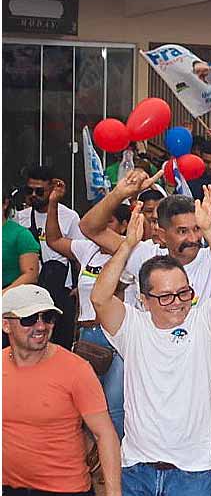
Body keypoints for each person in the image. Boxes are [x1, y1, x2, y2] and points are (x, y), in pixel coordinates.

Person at [92, 190, 211, 496]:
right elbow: (100, 298)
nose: (177, 302)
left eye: (183, 293)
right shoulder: (132, 328)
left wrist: (210, 231)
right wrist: (127, 245)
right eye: (165, 296)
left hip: (191, 475)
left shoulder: (205, 325)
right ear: (144, 300)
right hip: (137, 473)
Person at [3, 284, 124, 496]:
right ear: (6, 324)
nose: (41, 326)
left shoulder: (76, 370)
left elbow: (105, 435)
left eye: (48, 317)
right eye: (29, 319)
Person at [44, 178, 132, 438]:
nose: (100, 228)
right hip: (87, 337)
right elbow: (53, 240)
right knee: (86, 407)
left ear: (124, 226)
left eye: (109, 222)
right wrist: (53, 203)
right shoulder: (88, 250)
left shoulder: (133, 254)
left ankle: (118, 458)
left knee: (115, 408)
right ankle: (96, 453)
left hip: (117, 340)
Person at [15, 164, 82, 347]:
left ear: (51, 189)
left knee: (61, 342)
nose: (33, 195)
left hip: (62, 289)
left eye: (39, 191)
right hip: (31, 287)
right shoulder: (20, 217)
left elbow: (79, 255)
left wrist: (79, 287)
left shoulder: (70, 217)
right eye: (29, 191)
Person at [2, 188, 39, 290]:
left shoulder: (21, 234)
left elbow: (31, 275)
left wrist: (4, 294)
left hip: (10, 294)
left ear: (5, 204)